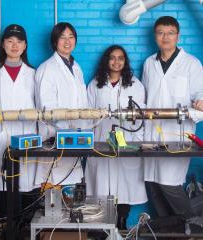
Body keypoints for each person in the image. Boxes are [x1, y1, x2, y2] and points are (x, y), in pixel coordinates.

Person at [0, 24, 38, 238]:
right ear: (3, 44)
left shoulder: (33, 74)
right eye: (10, 41)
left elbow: (41, 106)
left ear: (25, 45)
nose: (14, 45)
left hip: (26, 136)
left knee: (28, 183)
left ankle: (26, 228)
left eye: (19, 42)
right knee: (1, 184)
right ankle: (3, 229)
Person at [142, 16, 203, 219]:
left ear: (178, 36)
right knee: (152, 185)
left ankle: (192, 229)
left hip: (177, 134)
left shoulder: (191, 64)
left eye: (170, 33)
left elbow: (200, 93)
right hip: (151, 134)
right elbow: (145, 97)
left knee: (169, 184)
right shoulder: (149, 63)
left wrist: (201, 101)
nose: (165, 37)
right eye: (160, 33)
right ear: (155, 36)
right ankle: (170, 231)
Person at [85, 45, 148, 229]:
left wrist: (139, 143)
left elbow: (141, 115)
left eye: (121, 58)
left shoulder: (135, 84)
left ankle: (121, 222)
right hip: (100, 139)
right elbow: (86, 113)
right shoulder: (95, 84)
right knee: (102, 184)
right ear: (106, 60)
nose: (116, 61)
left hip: (127, 140)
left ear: (125, 62)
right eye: (112, 58)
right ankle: (104, 227)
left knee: (124, 184)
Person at [35, 22, 87, 186]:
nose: (67, 41)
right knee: (53, 189)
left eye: (71, 37)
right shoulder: (47, 68)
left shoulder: (77, 68)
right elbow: (47, 109)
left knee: (72, 188)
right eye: (62, 37)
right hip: (54, 138)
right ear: (54, 41)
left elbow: (82, 103)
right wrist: (68, 128)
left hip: (75, 137)